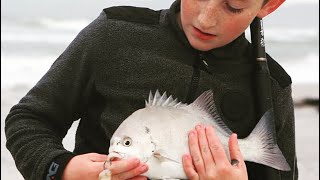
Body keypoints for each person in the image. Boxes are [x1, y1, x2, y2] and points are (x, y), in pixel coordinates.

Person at [5, 0, 298, 179]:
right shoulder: (113, 34)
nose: (205, 19)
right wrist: (60, 169)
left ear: (269, 5)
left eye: (233, 5)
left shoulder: (272, 85)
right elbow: (29, 119)